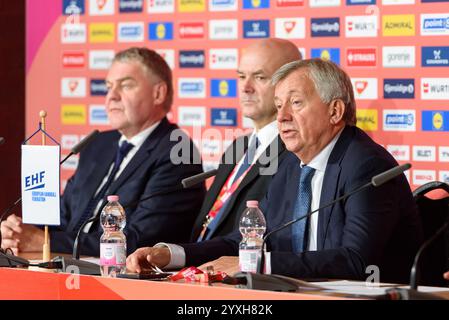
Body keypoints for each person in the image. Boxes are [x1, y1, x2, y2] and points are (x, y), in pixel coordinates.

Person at [127, 59, 423, 284]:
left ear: (335, 112)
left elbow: (357, 261)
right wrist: (172, 255)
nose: (281, 117)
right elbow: (242, 241)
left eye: (295, 103)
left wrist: (258, 265)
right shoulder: (290, 165)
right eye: (279, 105)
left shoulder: (366, 165)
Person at [1, 48, 205, 256]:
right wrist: (19, 232)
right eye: (108, 87)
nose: (112, 96)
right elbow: (63, 216)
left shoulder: (178, 153)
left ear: (158, 93)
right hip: (67, 268)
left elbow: (141, 240)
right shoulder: (98, 144)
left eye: (126, 85)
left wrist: (45, 241)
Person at [126, 38, 302, 270]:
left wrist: (176, 255)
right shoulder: (239, 147)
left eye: (260, 77)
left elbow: (249, 240)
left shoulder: (295, 152)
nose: (245, 87)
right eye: (241, 76)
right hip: (193, 273)